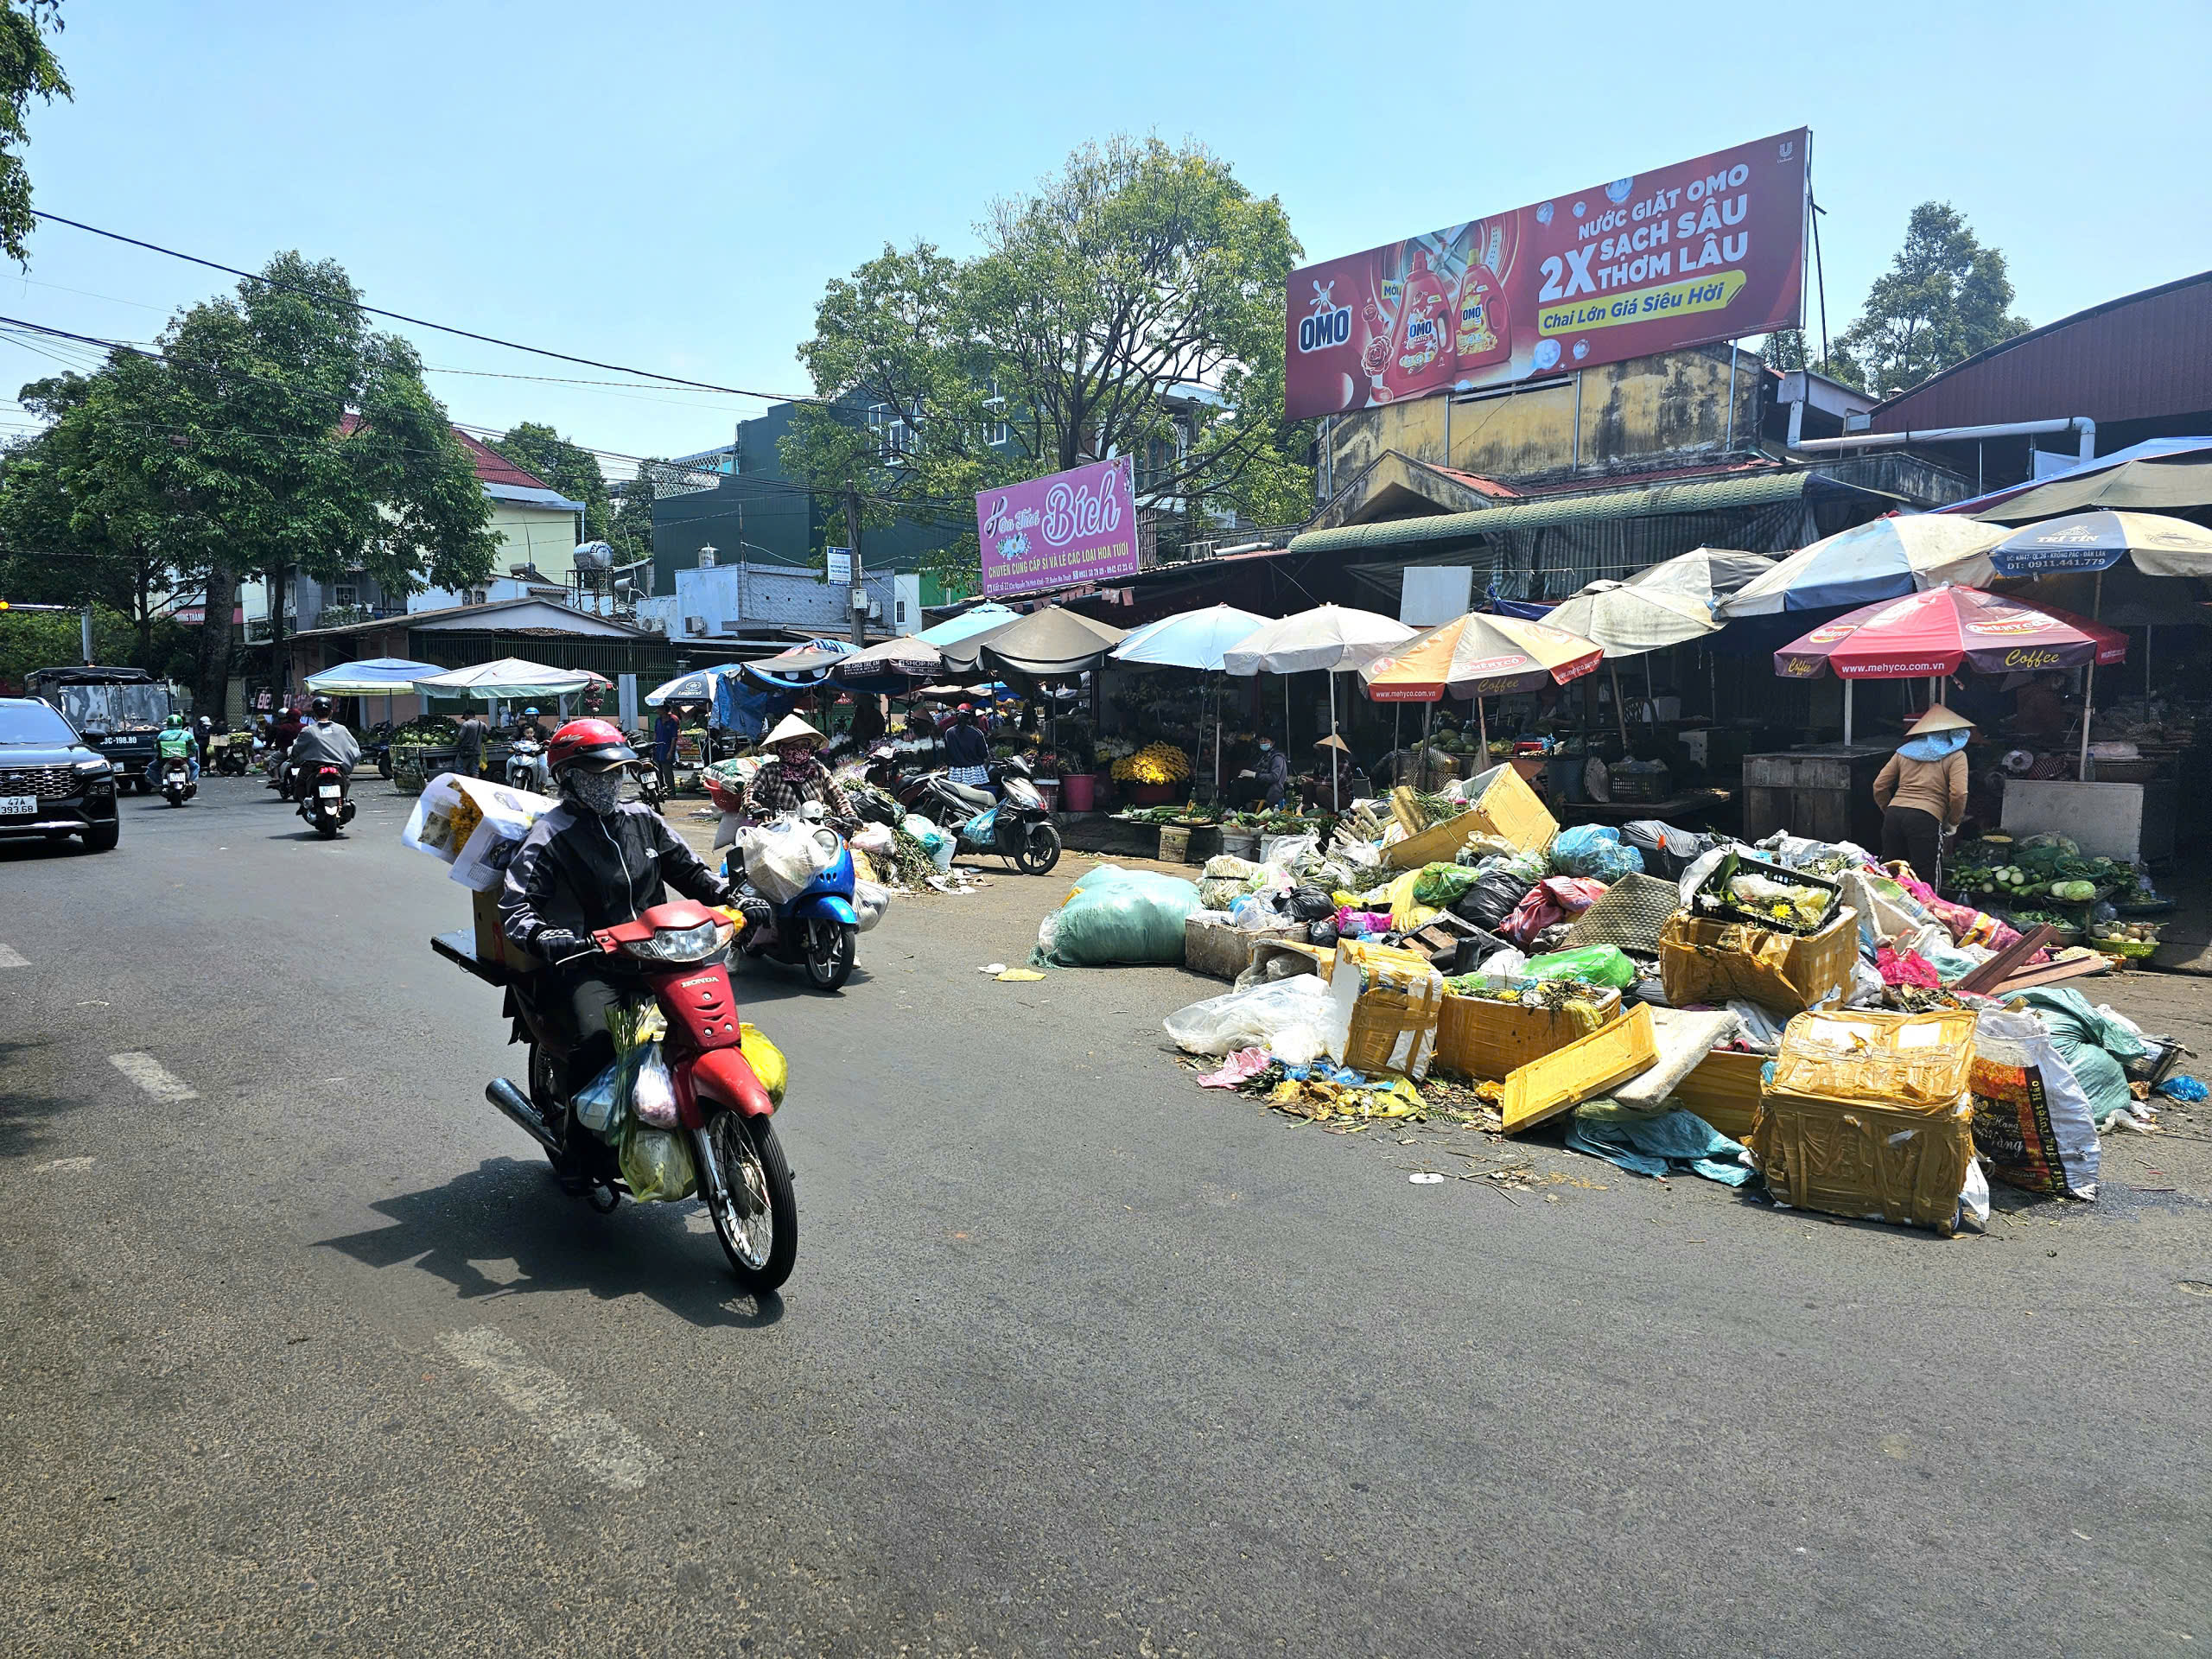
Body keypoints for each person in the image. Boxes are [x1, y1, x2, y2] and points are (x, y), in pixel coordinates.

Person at [499, 718, 757, 1094]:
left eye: (617, 773)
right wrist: (543, 935)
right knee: (598, 1044)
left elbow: (692, 872)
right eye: (598, 774)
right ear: (568, 777)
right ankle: (579, 1147)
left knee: (709, 1029)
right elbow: (517, 904)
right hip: (590, 962)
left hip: (662, 955)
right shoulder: (549, 835)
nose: (610, 783)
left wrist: (736, 896)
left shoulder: (643, 820)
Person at [1872, 706, 1972, 885]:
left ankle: (1887, 911)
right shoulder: (1956, 755)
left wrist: (1889, 810)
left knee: (1890, 873)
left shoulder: (1904, 751)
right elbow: (1958, 793)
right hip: (1926, 817)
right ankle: (1926, 912)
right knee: (1925, 877)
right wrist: (1953, 822)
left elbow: (1879, 785)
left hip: (1895, 815)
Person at [746, 714, 857, 823]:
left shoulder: (818, 770)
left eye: (804, 745)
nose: (799, 750)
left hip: (815, 831)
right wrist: (754, 808)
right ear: (781, 749)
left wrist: (849, 814)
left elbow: (838, 797)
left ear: (811, 748)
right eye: (793, 746)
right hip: (780, 832)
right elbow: (751, 790)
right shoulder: (770, 772)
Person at [289, 697, 363, 778]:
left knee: (299, 784)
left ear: (314, 713)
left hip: (313, 768)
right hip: (339, 768)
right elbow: (355, 752)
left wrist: (292, 754)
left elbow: (296, 750)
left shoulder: (308, 731)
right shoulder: (341, 729)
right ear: (331, 712)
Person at [2009, 670, 2070, 745]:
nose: (2062, 683)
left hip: (2024, 736)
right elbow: (2053, 720)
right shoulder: (2046, 696)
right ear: (2052, 677)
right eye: (2060, 679)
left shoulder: (2024, 690)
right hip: (2040, 738)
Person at [942, 703, 993, 788]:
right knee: (975, 797)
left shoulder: (949, 732)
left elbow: (946, 753)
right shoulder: (977, 733)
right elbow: (984, 754)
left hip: (955, 772)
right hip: (974, 772)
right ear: (971, 717)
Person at [147, 713, 200, 789]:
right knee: (196, 767)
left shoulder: (163, 734)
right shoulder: (187, 734)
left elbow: (157, 747)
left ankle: (160, 783)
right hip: (183, 758)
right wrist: (190, 753)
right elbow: (195, 746)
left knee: (151, 768)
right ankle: (191, 782)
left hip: (166, 759)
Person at [454, 709, 490, 778]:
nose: (465, 719)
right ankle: (475, 785)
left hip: (466, 750)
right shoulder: (481, 724)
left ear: (467, 715)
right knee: (475, 770)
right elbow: (487, 733)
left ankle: (462, 785)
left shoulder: (466, 724)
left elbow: (460, 737)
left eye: (465, 717)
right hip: (477, 751)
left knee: (459, 769)